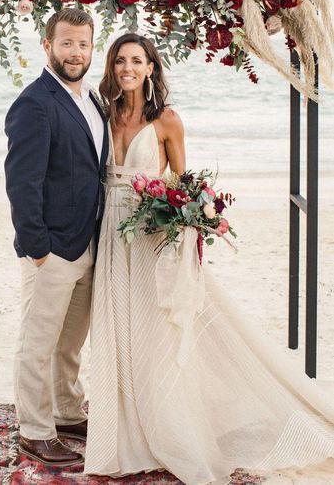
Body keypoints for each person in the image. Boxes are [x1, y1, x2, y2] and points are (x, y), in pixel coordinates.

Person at [84, 32, 334, 485]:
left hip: (148, 233)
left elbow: (183, 185)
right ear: (111, 66)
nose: (128, 68)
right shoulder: (102, 115)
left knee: (155, 325)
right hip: (108, 231)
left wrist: (186, 232)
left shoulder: (167, 121)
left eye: (137, 61)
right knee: (115, 324)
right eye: (120, 60)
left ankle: (166, 421)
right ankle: (121, 425)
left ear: (151, 68)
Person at [4, 8, 108, 467]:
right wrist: (39, 249)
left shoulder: (92, 100)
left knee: (70, 343)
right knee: (38, 342)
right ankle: (35, 431)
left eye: (83, 44)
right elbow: (21, 183)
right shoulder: (34, 102)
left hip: (88, 244)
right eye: (67, 43)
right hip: (53, 251)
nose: (76, 52)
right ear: (47, 46)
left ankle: (67, 412)